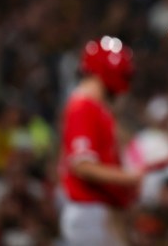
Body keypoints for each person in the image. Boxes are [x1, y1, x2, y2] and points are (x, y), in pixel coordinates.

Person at [57, 36, 142, 246]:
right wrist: (127, 177)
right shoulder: (82, 106)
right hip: (87, 211)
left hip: (97, 211)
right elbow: (82, 166)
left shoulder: (96, 107)